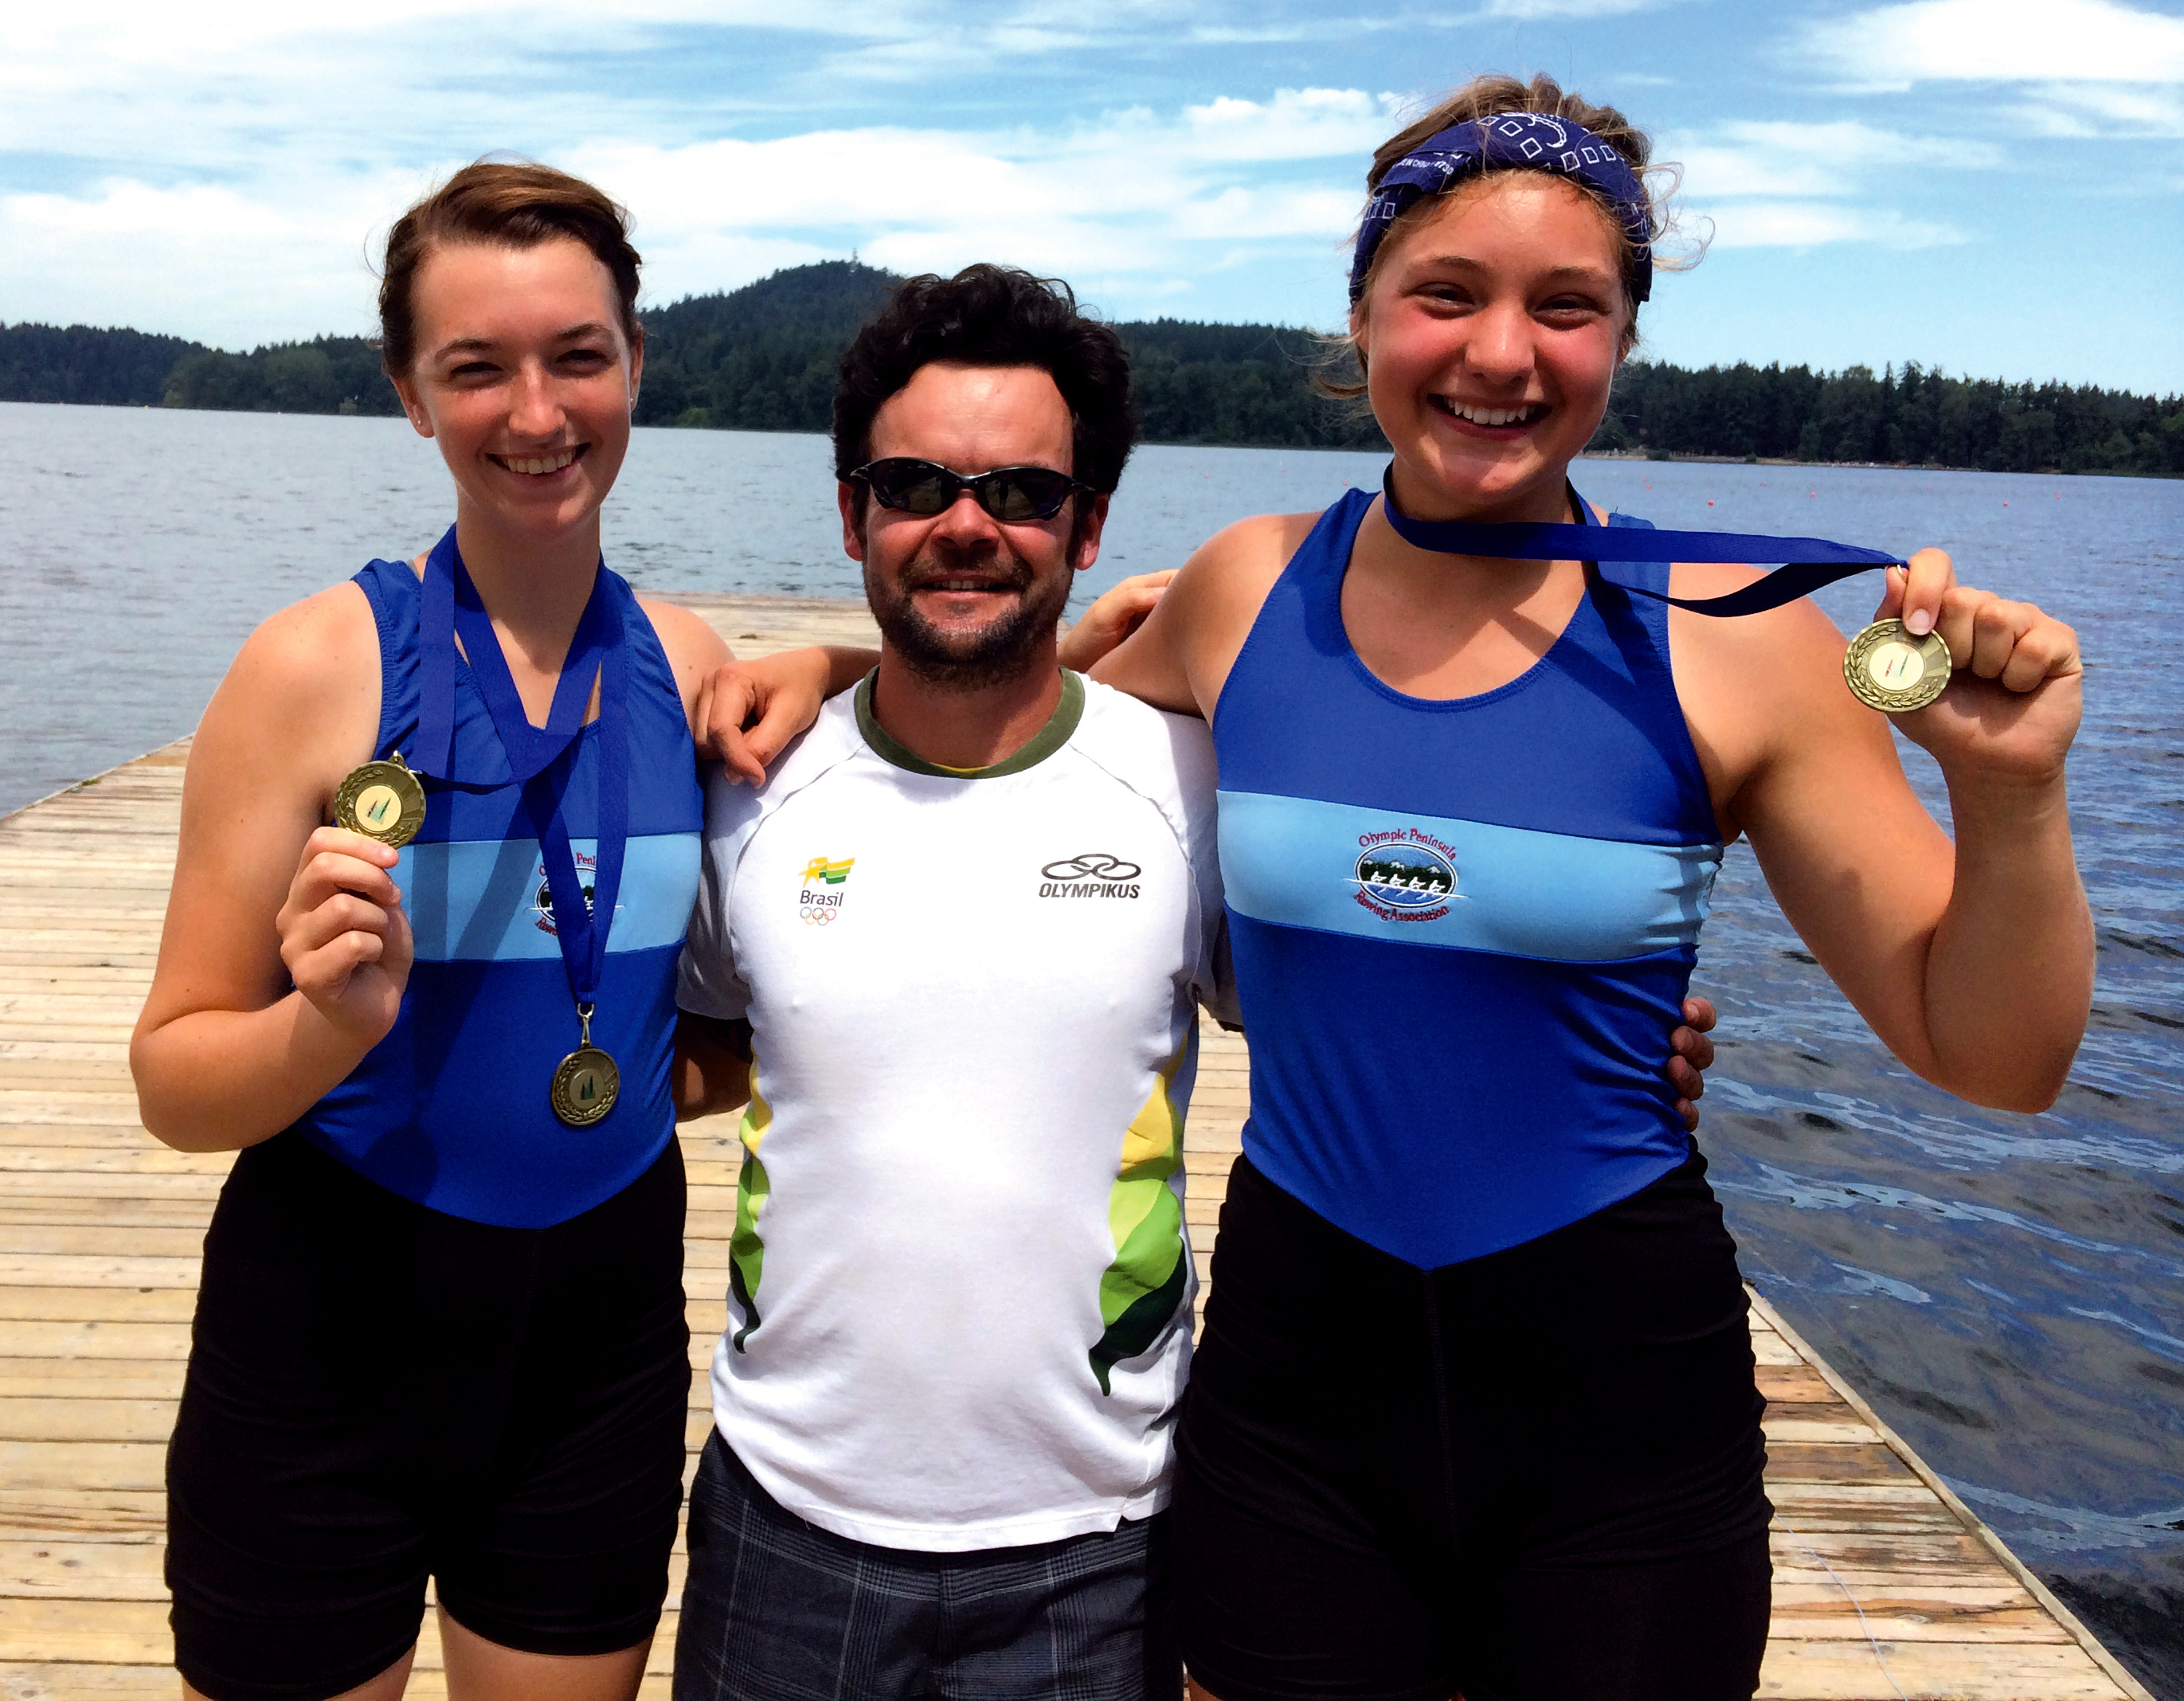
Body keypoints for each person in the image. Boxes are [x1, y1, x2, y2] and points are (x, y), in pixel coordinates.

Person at [713, 75, 2092, 1701]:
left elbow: (1992, 1055)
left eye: (1564, 308)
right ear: (1362, 316)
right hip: (1303, 1386)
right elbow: (1015, 694)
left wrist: (2009, 797)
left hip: (1616, 1407)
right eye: (1446, 294)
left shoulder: (1736, 636)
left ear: (1623, 339)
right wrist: (815, 662)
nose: (1500, 354)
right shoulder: (1249, 588)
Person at [667, 264, 1724, 1701]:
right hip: (785, 1512)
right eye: (916, 485)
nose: (967, 525)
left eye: (1024, 494)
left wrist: (1595, 1036)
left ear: (1089, 528)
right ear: (853, 512)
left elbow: (1369, 974)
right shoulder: (750, 788)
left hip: (1100, 1537)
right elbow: (693, 1051)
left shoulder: (1188, 783)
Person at [131, 162, 736, 1701]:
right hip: (327, 1321)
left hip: (594, 1332)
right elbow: (175, 1082)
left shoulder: (687, 663)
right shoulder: (315, 665)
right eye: (476, 368)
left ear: (635, 365)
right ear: (409, 393)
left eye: (577, 357)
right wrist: (320, 1024)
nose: (536, 412)